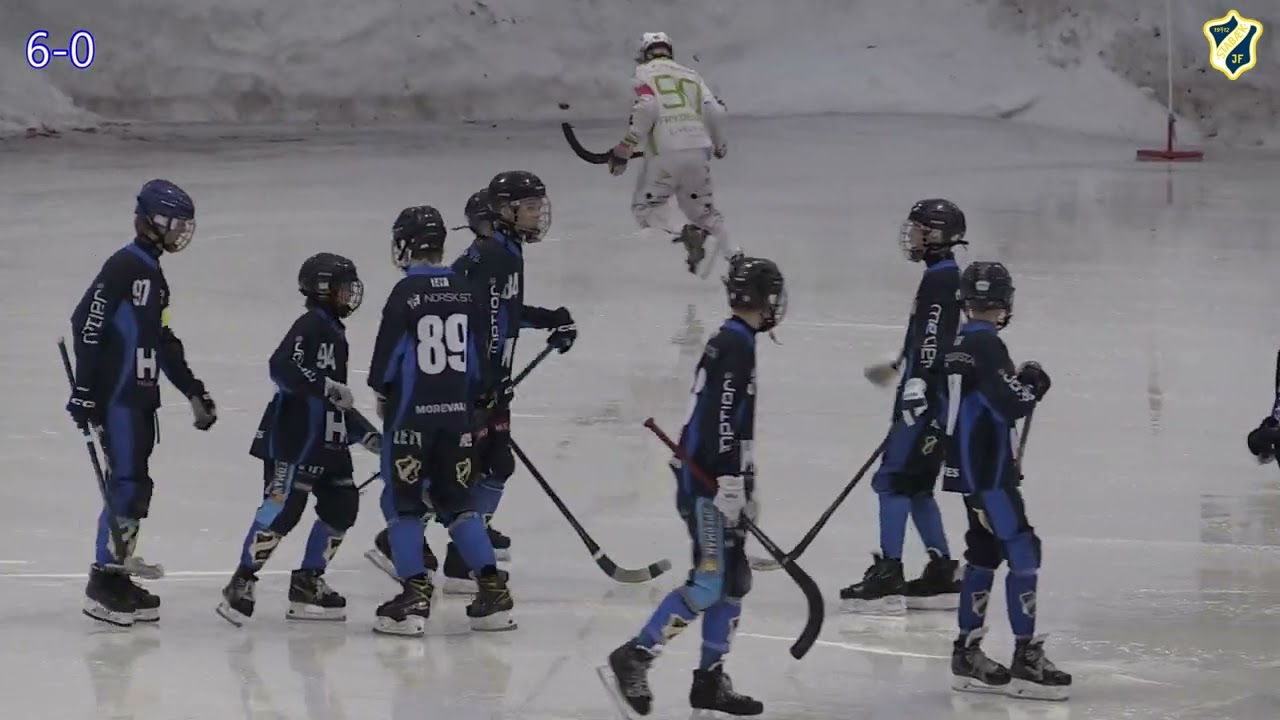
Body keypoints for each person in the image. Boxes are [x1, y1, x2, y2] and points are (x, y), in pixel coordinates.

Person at [605, 256, 786, 717]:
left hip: (719, 478)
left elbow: (712, 416)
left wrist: (744, 482)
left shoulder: (735, 339)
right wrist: (726, 480)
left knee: (733, 582)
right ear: (766, 300)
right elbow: (720, 417)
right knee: (709, 583)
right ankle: (635, 655)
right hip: (708, 483)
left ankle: (709, 681)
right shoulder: (735, 345)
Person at [67, 178, 217, 627]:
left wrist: (192, 389)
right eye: (175, 223)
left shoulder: (153, 276)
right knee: (126, 483)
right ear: (152, 221)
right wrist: (85, 389)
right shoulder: (123, 268)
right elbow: (85, 324)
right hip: (118, 397)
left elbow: (162, 340)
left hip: (140, 398)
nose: (181, 233)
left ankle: (117, 572)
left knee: (136, 484)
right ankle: (103, 580)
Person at [368, 205, 514, 636]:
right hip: (458, 420)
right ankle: (492, 592)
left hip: (411, 418)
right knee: (458, 503)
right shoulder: (464, 290)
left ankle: (414, 596)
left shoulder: (403, 295)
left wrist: (385, 399)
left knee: (401, 504)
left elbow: (384, 369)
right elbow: (478, 364)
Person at [216, 253, 379, 626]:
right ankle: (241, 580)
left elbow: (333, 397)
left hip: (329, 440)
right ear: (323, 291)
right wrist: (324, 386)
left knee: (343, 505)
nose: (350, 295)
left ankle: (308, 581)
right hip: (293, 439)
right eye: (342, 288)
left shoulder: (335, 332)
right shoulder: (310, 324)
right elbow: (282, 367)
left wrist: (363, 432)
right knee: (282, 509)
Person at [441, 172, 577, 592]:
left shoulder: (509, 250)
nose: (538, 215)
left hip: (492, 382)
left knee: (495, 465)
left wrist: (549, 319)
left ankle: (468, 546)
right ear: (505, 210)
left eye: (539, 206)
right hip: (473, 385)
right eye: (530, 207)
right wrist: (479, 378)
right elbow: (464, 319)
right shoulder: (488, 256)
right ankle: (412, 543)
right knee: (461, 469)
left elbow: (504, 312)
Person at [941, 261, 1071, 700]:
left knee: (983, 552)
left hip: (968, 473)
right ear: (1005, 303)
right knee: (1023, 550)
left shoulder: (958, 343)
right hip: (990, 475)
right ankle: (1025, 657)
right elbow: (1010, 403)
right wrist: (1033, 384)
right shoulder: (987, 346)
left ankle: (967, 652)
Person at [841, 199, 966, 614]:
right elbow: (929, 336)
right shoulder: (941, 276)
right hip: (931, 399)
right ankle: (942, 571)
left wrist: (918, 383)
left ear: (936, 234)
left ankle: (889, 573)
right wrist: (902, 364)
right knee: (916, 487)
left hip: (925, 402)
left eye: (918, 230)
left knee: (893, 481)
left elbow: (933, 338)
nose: (911, 238)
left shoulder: (941, 280)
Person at [606, 32, 741, 275]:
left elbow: (647, 105)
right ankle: (737, 259)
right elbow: (717, 112)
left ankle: (684, 231)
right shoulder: (692, 74)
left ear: (644, 53)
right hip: (699, 148)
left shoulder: (643, 74)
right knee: (707, 212)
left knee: (645, 208)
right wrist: (720, 145)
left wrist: (626, 147)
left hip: (665, 152)